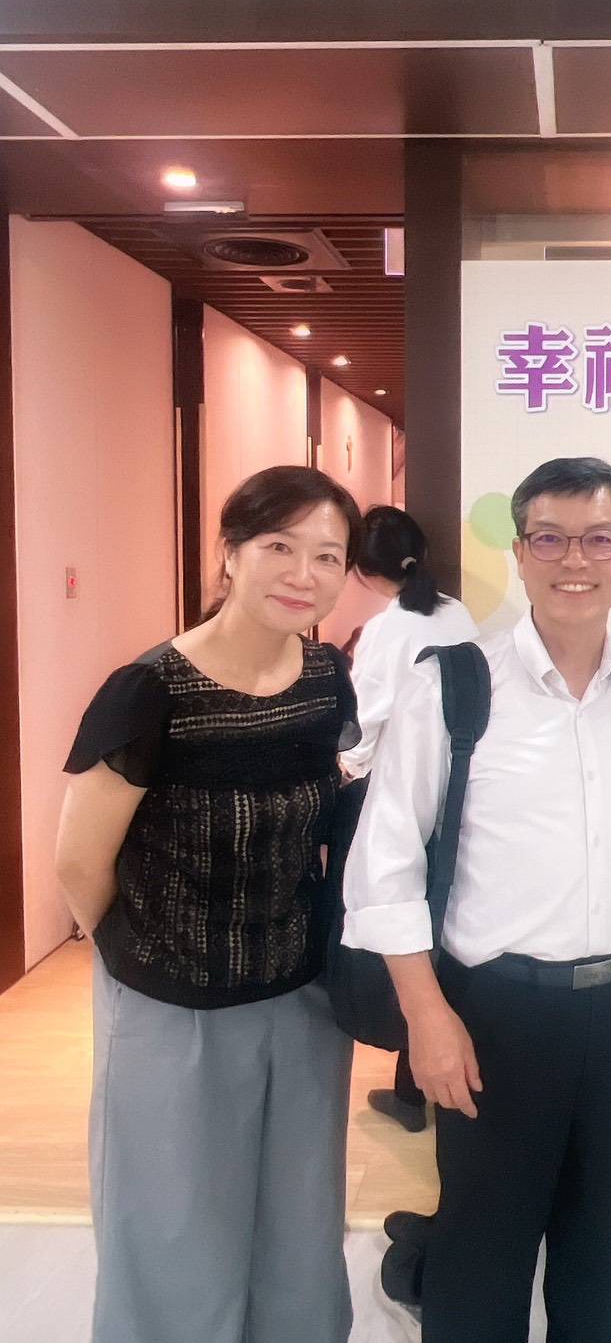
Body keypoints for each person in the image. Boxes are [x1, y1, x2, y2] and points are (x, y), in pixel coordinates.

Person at [343, 456, 611, 1343]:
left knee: (604, 1254)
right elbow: (384, 862)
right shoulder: (453, 683)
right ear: (519, 552)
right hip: (494, 1010)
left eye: (599, 538)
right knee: (481, 1256)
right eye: (549, 538)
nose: (573, 559)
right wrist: (426, 1015)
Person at [55, 465, 364, 1343]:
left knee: (299, 1219)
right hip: (170, 1001)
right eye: (279, 546)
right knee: (173, 1221)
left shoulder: (326, 677)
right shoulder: (149, 689)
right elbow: (79, 862)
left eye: (327, 555)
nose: (302, 573)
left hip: (301, 994)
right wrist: (147, 955)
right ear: (229, 551)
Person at [338, 504, 477, 1132]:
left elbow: (364, 721)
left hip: (395, 791)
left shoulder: (385, 629)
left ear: (362, 571)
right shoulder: (457, 614)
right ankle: (419, 1082)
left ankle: (412, 1080)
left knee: (391, 928)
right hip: (460, 792)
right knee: (440, 920)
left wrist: (346, 767)